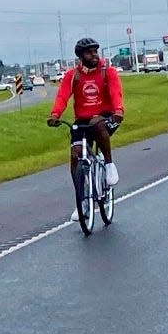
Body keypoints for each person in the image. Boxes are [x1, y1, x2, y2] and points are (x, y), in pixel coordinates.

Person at [48, 37, 125, 220]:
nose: (94, 55)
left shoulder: (108, 72)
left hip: (105, 117)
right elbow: (62, 97)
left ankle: (108, 165)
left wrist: (118, 111)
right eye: (90, 52)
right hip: (82, 120)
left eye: (95, 51)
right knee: (75, 156)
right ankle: (82, 201)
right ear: (81, 56)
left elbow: (116, 93)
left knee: (98, 126)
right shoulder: (72, 76)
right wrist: (55, 115)